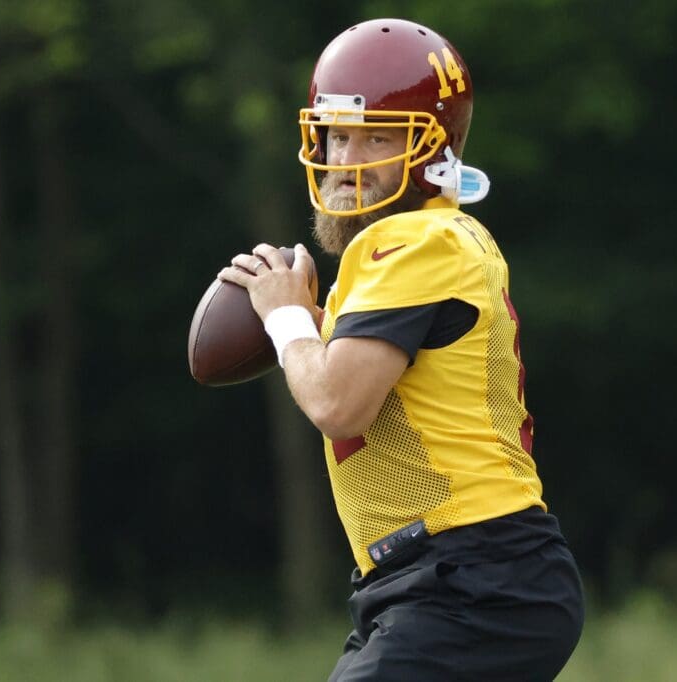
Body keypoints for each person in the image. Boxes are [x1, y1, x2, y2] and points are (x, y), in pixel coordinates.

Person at [218, 18, 584, 682]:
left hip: (475, 579)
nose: (346, 160)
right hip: (435, 582)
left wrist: (287, 321)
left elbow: (337, 405)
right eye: (337, 134)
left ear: (431, 155)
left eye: (377, 137)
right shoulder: (407, 252)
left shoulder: (415, 241)